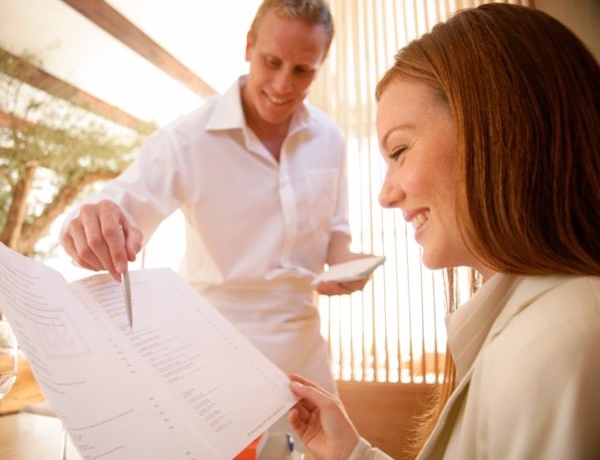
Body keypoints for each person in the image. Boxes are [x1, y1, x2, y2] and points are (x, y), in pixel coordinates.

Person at [288, 3, 600, 459]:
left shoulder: (563, 342)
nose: (386, 194)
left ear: (497, 127)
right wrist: (350, 453)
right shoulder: (530, 328)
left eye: (399, 151)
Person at [60, 0, 372, 431]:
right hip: (212, 354)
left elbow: (336, 232)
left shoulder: (330, 139)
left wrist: (347, 263)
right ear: (248, 46)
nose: (283, 84)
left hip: (305, 354)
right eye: (271, 62)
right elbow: (120, 207)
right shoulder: (187, 139)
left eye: (303, 71)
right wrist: (93, 222)